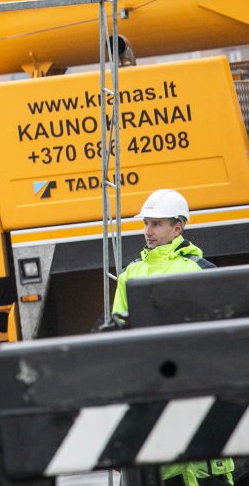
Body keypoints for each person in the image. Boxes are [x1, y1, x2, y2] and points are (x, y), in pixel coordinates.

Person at [112, 189, 234, 486]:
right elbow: (117, 334)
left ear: (177, 227)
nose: (147, 231)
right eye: (146, 224)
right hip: (152, 395)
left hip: (199, 394)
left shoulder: (201, 270)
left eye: (156, 224)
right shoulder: (131, 274)